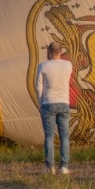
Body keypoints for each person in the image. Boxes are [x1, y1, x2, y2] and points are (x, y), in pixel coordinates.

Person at [35, 41, 73, 175]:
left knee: (49, 136)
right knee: (64, 136)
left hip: (48, 103)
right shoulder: (68, 65)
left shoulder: (43, 66)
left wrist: (41, 102)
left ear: (48, 53)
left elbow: (38, 87)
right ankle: (63, 167)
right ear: (61, 52)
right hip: (64, 103)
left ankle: (49, 167)